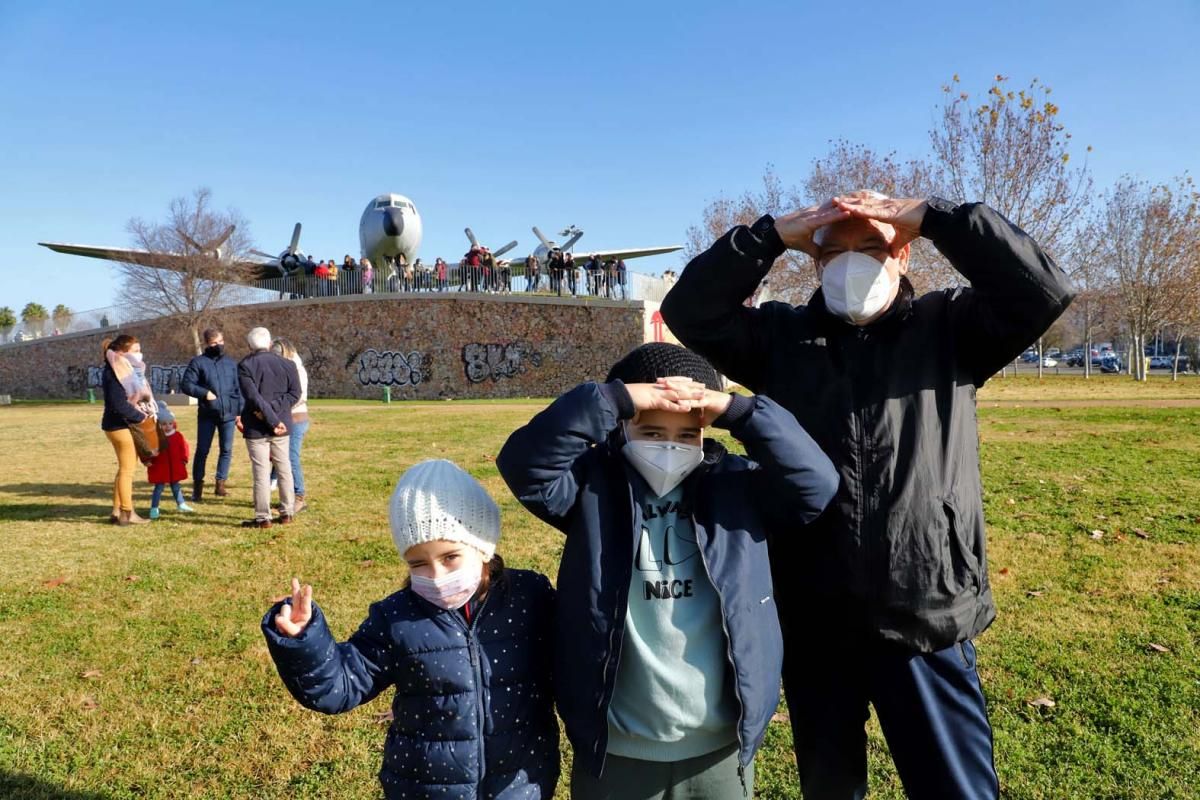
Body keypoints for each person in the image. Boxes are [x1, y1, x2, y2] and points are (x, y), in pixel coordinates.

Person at [661, 192, 1076, 800]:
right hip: (813, 612)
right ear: (815, 261)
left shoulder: (952, 327)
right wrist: (771, 235)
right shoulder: (780, 338)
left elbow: (1041, 289)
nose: (854, 262)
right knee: (830, 788)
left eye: (873, 247)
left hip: (925, 608)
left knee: (955, 788)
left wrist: (934, 218)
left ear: (903, 254)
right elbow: (691, 310)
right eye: (837, 251)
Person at [497, 342, 838, 799]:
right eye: (652, 430)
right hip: (617, 746)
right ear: (622, 427)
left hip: (719, 744)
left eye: (686, 434)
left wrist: (736, 409)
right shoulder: (592, 487)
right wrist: (615, 399)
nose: (669, 447)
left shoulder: (738, 486)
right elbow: (525, 464)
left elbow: (816, 484)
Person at [261, 459, 560, 799]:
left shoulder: (529, 598)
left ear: (483, 545)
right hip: (422, 788)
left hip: (520, 786)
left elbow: (574, 659)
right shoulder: (397, 617)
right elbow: (341, 685)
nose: (436, 575)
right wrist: (304, 641)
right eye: (418, 563)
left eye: (450, 557)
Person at [237, 326, 299, 528]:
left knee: (261, 472)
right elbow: (294, 394)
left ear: (249, 346)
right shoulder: (288, 365)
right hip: (281, 424)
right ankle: (287, 512)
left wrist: (268, 415)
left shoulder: (245, 365)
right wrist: (275, 416)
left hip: (257, 426)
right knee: (284, 468)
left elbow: (253, 398)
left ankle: (263, 517)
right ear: (270, 343)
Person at [181, 328, 242, 502]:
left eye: (221, 341)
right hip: (207, 414)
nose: (219, 345)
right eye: (215, 343)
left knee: (226, 450)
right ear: (207, 344)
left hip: (229, 414)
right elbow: (186, 384)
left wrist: (239, 411)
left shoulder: (230, 363)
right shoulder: (198, 362)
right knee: (202, 450)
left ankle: (220, 484)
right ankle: (197, 487)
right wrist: (204, 393)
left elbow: (238, 389)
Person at [100, 334, 153, 525]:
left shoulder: (125, 370)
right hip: (119, 425)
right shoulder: (115, 371)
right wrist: (140, 417)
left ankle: (116, 511)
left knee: (123, 469)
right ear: (122, 352)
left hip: (119, 424)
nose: (139, 355)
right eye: (135, 351)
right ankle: (127, 513)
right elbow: (118, 404)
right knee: (127, 470)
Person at [270, 337, 309, 513]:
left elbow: (298, 396)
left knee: (291, 458)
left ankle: (299, 496)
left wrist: (277, 406)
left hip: (296, 418)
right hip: (285, 418)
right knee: (281, 458)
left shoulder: (296, 369)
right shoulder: (282, 368)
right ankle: (288, 497)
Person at [145, 402, 194, 519]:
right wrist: (148, 459)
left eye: (170, 423)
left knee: (176, 486)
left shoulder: (178, 436)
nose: (168, 426)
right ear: (159, 424)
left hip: (174, 467)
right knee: (159, 488)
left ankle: (181, 504)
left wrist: (184, 459)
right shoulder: (155, 437)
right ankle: (154, 508)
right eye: (164, 424)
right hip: (160, 467)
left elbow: (184, 448)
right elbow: (148, 450)